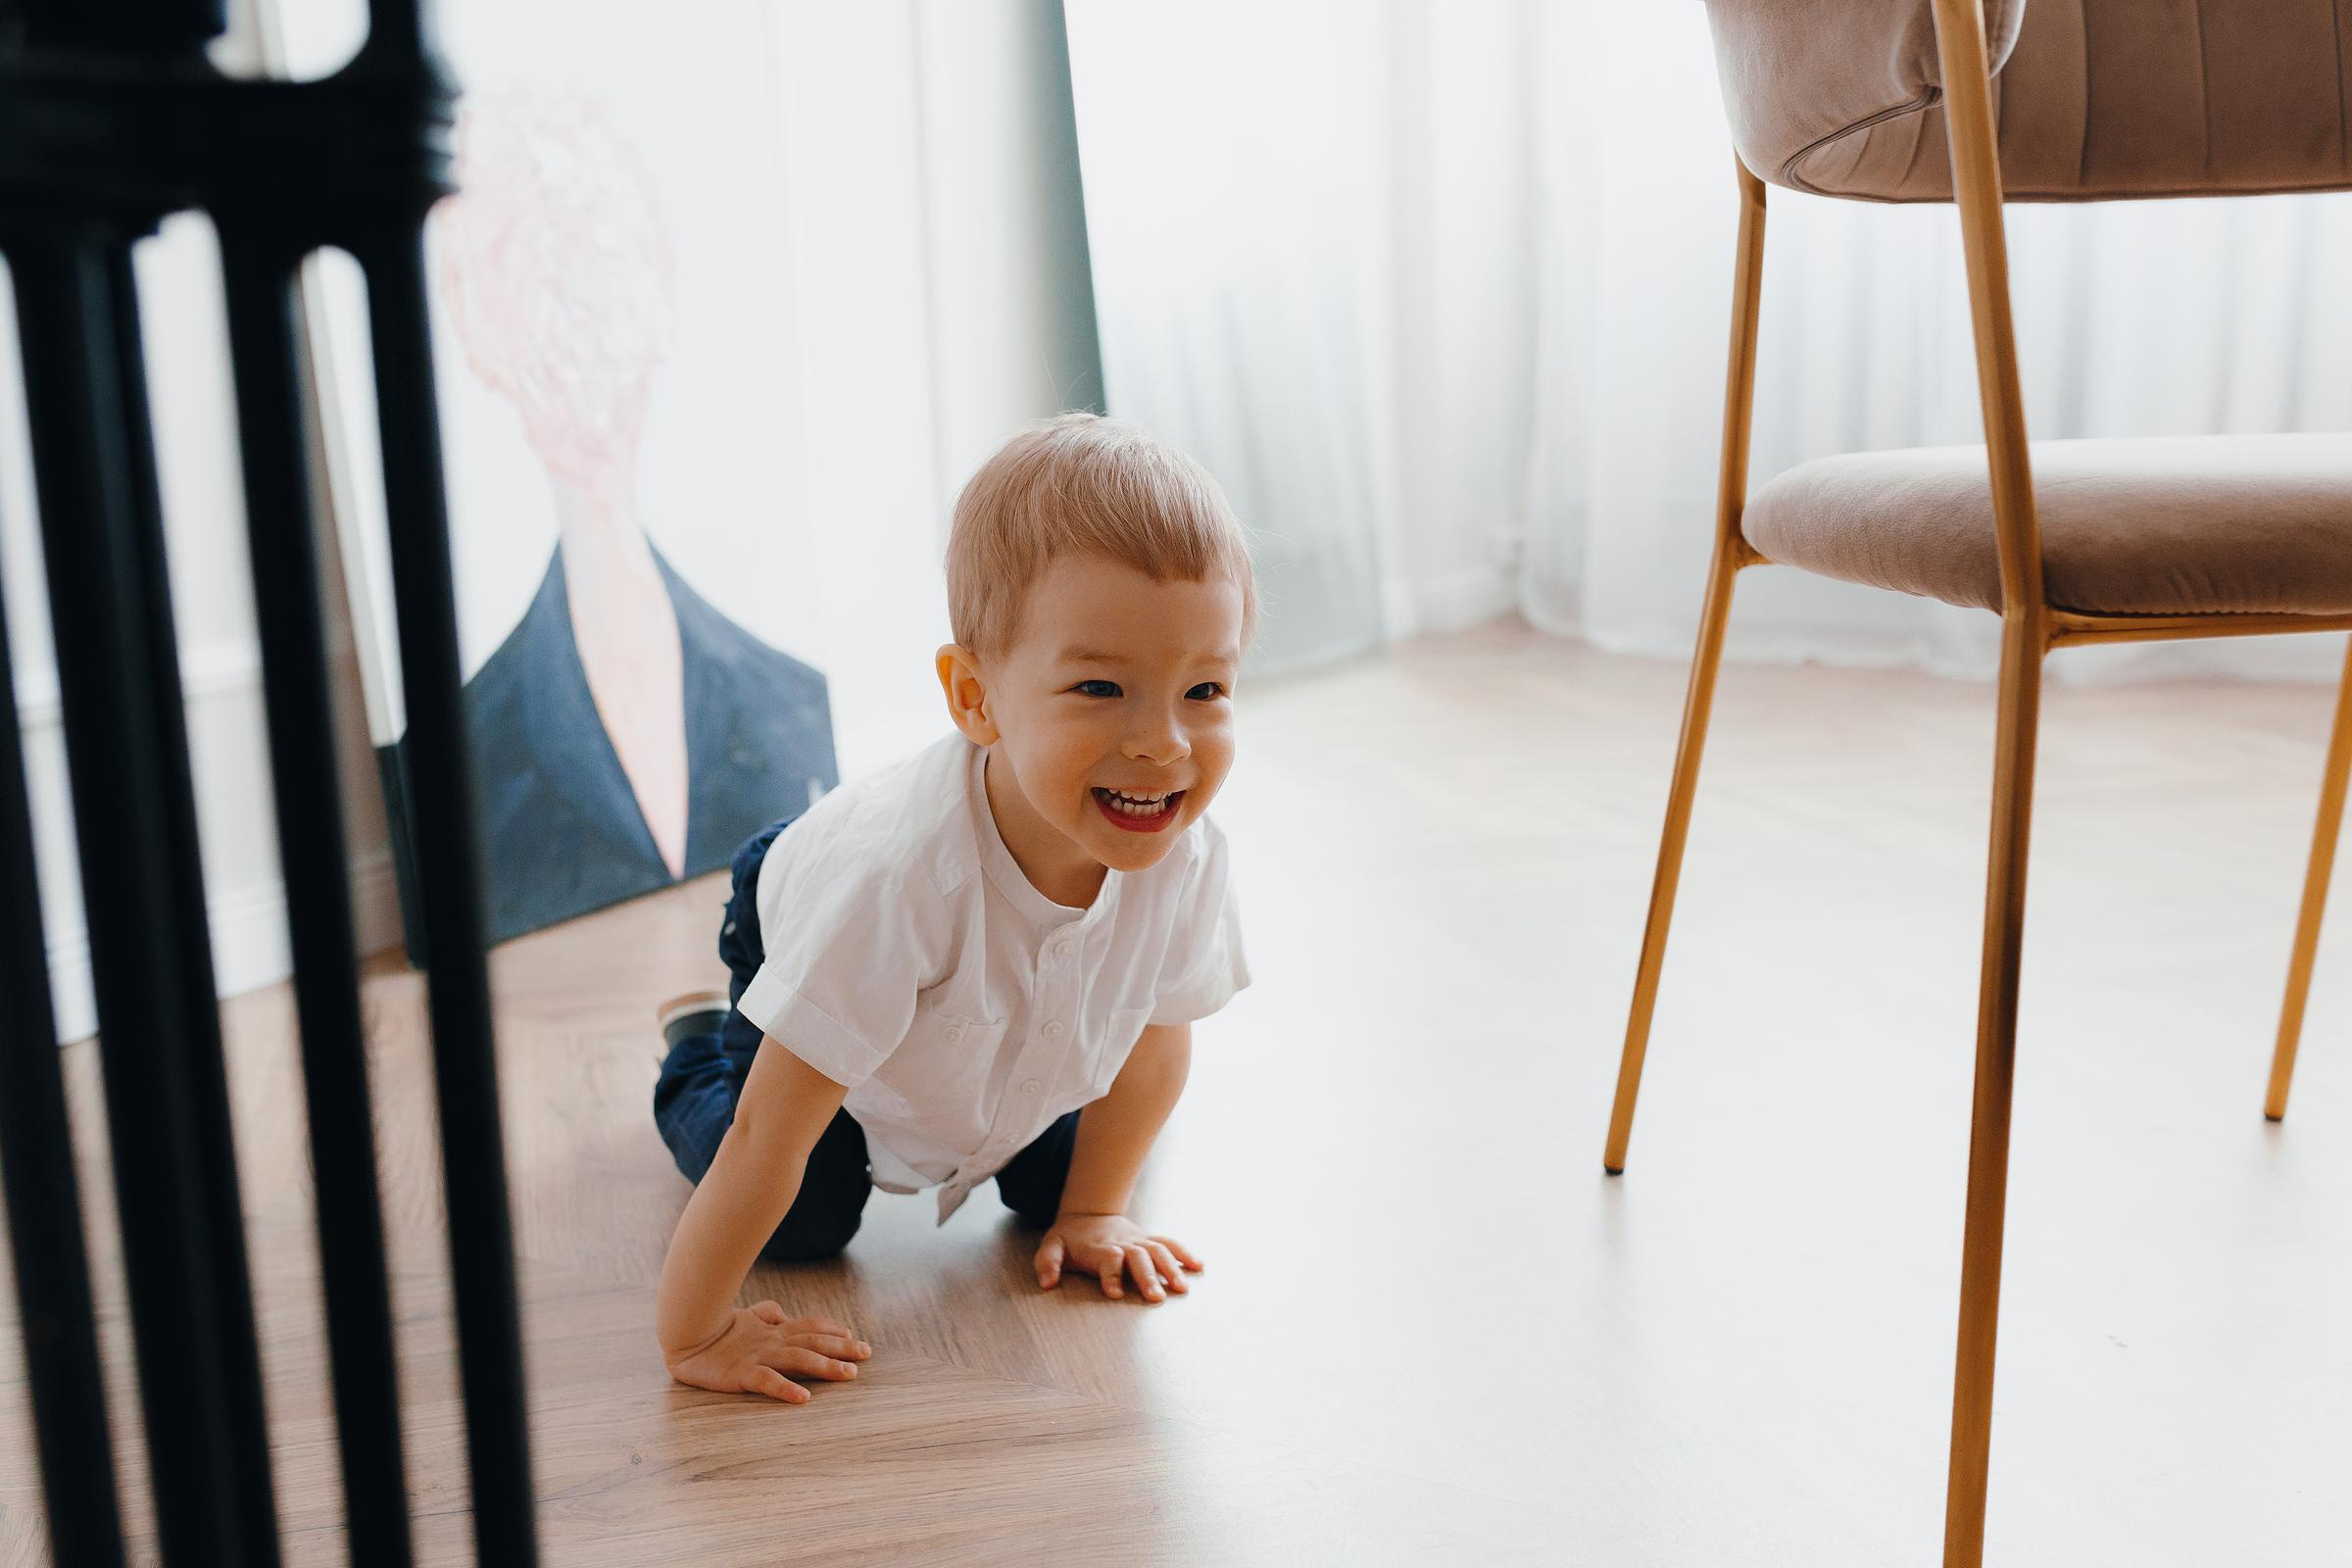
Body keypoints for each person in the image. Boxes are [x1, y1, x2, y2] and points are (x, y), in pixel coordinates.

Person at [650, 414, 1253, 1402]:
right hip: (798, 923)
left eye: (1204, 688)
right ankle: (701, 1042)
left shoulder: (1183, 853)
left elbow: (1155, 1044)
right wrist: (694, 1335)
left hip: (992, 1007)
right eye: (1101, 686)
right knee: (810, 1209)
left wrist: (1095, 1211)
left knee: (1064, 1178)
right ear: (975, 697)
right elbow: (769, 1135)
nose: (1162, 743)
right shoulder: (893, 885)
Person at [435, 93, 836, 946]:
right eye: (531, 266)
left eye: (596, 255)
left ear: (657, 294)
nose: (574, 314)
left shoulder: (790, 698)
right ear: (476, 328)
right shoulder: (460, 758)